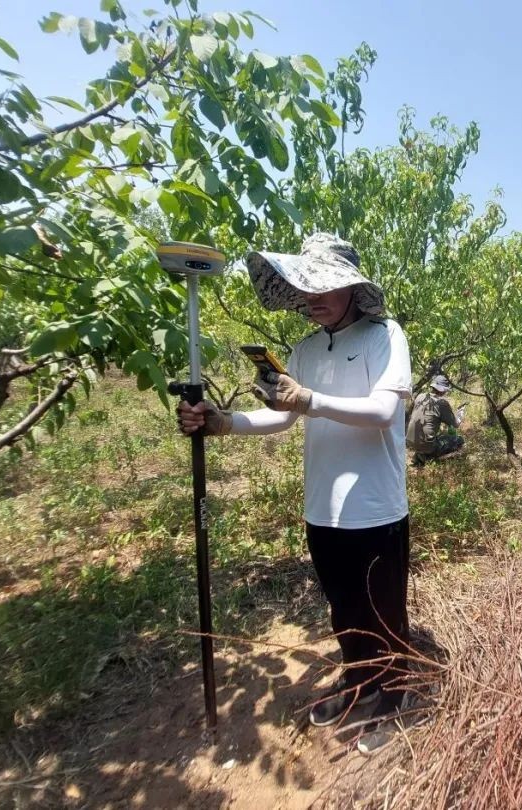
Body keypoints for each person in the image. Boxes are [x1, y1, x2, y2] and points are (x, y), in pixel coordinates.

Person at [176, 233, 417, 755]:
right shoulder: (304, 349)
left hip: (375, 509)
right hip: (323, 510)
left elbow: (382, 413)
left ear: (353, 287)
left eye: (324, 285)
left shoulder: (385, 336)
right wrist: (223, 422)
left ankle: (396, 696)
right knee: (343, 609)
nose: (312, 297)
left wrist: (310, 399)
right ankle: (360, 684)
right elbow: (282, 417)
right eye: (305, 287)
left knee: (384, 612)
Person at [406, 374, 466, 465]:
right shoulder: (441, 402)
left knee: (441, 435)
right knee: (459, 440)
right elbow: (455, 424)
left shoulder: (420, 397)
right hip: (428, 446)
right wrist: (461, 413)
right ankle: (431, 457)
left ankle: (421, 454)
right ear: (444, 390)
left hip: (409, 441)